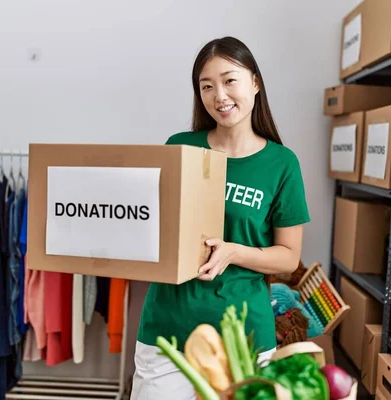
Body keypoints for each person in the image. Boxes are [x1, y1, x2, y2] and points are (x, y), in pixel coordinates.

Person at [131, 36, 311, 400]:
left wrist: (233, 252)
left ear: (255, 83)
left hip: (243, 335)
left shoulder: (281, 164)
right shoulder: (180, 146)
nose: (220, 95)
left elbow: (289, 257)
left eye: (230, 80)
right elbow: (153, 224)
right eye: (207, 86)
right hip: (168, 329)